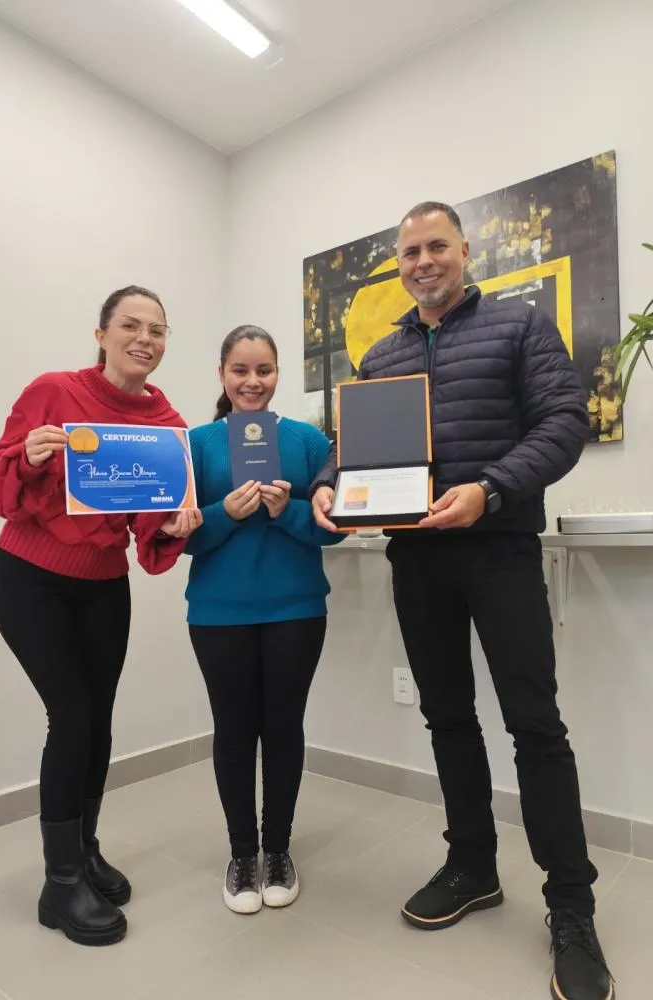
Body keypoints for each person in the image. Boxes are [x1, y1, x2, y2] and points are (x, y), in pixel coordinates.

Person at [310, 203, 613, 1000]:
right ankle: (473, 864)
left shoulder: (519, 325)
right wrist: (326, 485)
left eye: (436, 245)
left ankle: (571, 907)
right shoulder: (381, 355)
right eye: (409, 251)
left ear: (465, 250)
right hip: (416, 559)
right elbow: (349, 449)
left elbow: (565, 421)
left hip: (500, 548)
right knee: (447, 718)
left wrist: (491, 488)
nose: (423, 261)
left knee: (535, 726)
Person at [0, 285, 199, 946]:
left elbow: (149, 529)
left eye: (157, 330)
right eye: (130, 325)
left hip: (104, 586)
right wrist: (28, 456)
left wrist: (176, 524)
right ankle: (60, 882)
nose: (144, 339)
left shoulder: (167, 424)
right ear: (101, 335)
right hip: (30, 580)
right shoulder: (54, 391)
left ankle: (84, 849)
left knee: (98, 722)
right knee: (72, 718)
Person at [164, 324, 343, 914]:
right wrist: (225, 513)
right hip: (218, 614)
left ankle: (279, 850)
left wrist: (287, 511)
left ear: (277, 375)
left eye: (263, 370)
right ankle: (243, 854)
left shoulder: (308, 440)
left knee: (284, 727)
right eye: (240, 370)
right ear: (222, 375)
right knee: (234, 730)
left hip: (296, 608)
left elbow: (335, 531)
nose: (252, 381)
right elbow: (181, 540)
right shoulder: (194, 445)